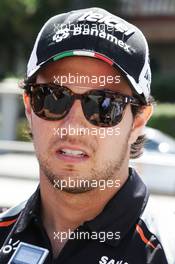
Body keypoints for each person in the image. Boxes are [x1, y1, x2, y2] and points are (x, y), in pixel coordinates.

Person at [0, 7, 173, 264]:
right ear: (28, 106)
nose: (73, 127)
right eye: (52, 97)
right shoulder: (5, 234)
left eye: (104, 104)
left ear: (138, 121)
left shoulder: (158, 254)